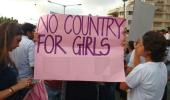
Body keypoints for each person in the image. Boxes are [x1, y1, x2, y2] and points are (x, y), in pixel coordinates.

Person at [120, 31, 167, 100]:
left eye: (141, 45)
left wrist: (120, 68)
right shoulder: (163, 66)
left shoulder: (142, 69)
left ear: (149, 51)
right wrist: (136, 52)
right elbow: (138, 74)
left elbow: (123, 86)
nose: (138, 46)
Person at [0, 22, 32, 99]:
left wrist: (23, 84)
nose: (18, 45)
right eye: (18, 40)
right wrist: (17, 87)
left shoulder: (5, 57)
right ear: (7, 38)